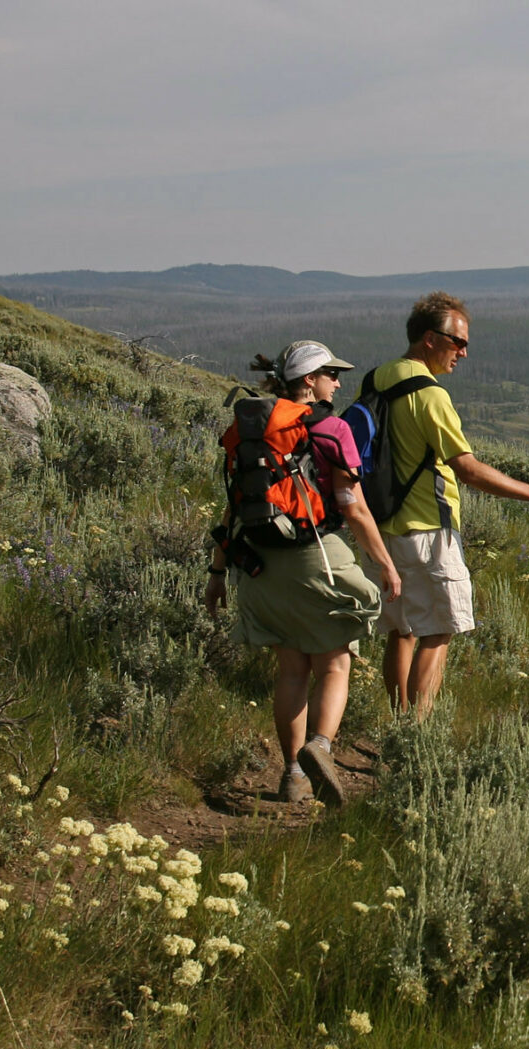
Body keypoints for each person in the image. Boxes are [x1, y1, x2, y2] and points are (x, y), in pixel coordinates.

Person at [204, 341, 402, 806]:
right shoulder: (331, 428)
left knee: (291, 670)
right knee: (334, 662)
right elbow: (353, 507)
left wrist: (217, 572)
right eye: (331, 374)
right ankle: (321, 746)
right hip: (316, 557)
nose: (337, 382)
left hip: (259, 563)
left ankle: (293, 776)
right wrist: (385, 565)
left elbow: (232, 506)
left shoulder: (248, 432)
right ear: (308, 381)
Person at [368, 292, 529, 716]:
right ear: (430, 338)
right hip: (428, 529)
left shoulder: (377, 378)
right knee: (439, 631)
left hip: (382, 527)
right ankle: (419, 732)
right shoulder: (430, 394)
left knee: (401, 630)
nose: (463, 353)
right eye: (458, 342)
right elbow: (466, 468)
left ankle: (397, 723)